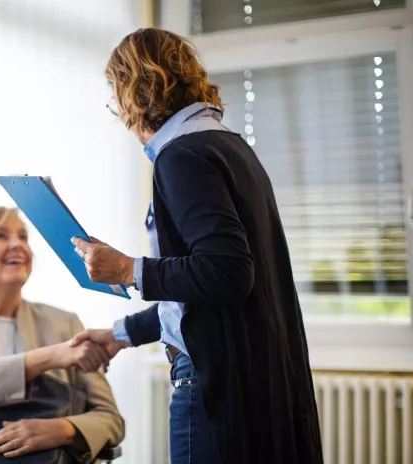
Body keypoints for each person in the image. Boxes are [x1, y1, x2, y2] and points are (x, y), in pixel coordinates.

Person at [69, 28, 323, 464]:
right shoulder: (229, 146)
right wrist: (119, 336)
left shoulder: (181, 156)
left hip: (212, 384)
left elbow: (227, 273)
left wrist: (128, 269)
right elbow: (197, 295)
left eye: (118, 99)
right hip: (255, 378)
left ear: (135, 93)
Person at [0, 207, 125, 464]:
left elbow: (110, 419)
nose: (18, 244)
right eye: (1, 236)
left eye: (23, 237)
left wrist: (62, 429)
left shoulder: (65, 323)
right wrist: (50, 356)